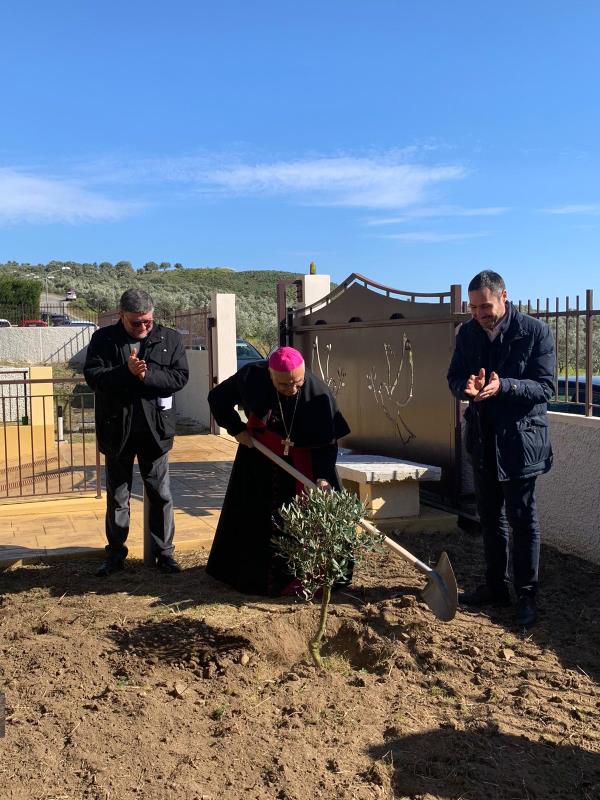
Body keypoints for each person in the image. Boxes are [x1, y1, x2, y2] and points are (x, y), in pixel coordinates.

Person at [447, 270, 555, 626]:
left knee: (523, 520)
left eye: (486, 306)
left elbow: (545, 388)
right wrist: (467, 385)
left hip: (521, 442)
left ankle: (526, 596)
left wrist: (503, 386)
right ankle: (496, 586)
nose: (480, 314)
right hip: (482, 439)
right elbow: (454, 377)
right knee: (490, 518)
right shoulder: (467, 334)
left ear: (504, 296)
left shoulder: (535, 332)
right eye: (474, 307)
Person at [206, 346, 351, 596]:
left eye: (297, 382)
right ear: (270, 375)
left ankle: (312, 576)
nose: (292, 389)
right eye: (284, 385)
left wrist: (324, 477)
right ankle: (252, 577)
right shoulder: (252, 376)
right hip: (259, 457)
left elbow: (327, 443)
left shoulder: (319, 395)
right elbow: (218, 398)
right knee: (255, 518)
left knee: (307, 517)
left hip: (305, 462)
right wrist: (236, 428)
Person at [84, 289, 189, 576]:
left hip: (155, 432)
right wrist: (125, 372)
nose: (143, 328)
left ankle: (164, 554)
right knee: (118, 496)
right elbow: (94, 377)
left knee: (160, 495)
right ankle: (115, 554)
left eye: (147, 322)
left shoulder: (170, 339)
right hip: (117, 431)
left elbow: (179, 377)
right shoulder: (103, 340)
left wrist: (146, 376)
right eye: (135, 323)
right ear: (121, 316)